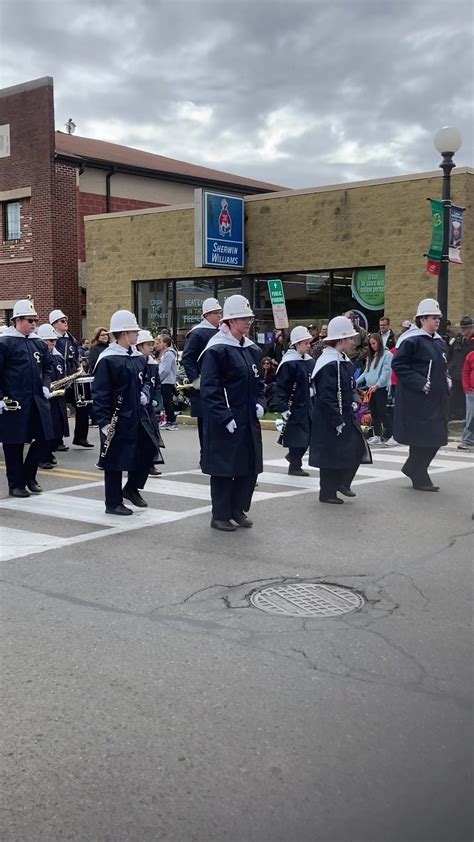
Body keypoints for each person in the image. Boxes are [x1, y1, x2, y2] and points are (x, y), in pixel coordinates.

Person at [200, 294, 265, 531]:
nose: (248, 322)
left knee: (249, 467)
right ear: (229, 321)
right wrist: (224, 416)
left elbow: (260, 383)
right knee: (225, 469)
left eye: (249, 318)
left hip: (248, 418)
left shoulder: (251, 349)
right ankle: (220, 514)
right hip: (226, 420)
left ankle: (238, 509)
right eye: (243, 318)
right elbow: (210, 388)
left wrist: (260, 402)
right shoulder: (217, 350)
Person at [92, 310, 159, 515]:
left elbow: (147, 379)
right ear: (123, 333)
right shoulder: (108, 359)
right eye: (134, 331)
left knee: (148, 450)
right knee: (114, 460)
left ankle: (131, 488)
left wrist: (146, 392)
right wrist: (104, 422)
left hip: (138, 414)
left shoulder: (138, 357)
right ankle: (112, 502)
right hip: (117, 417)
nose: (138, 335)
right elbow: (100, 393)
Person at [391, 298, 449, 491]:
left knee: (436, 437)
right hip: (418, 399)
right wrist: (420, 382)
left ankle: (414, 468)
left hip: (436, 398)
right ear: (422, 319)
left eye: (438, 318)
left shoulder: (438, 342)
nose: (437, 321)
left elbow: (441, 365)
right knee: (423, 438)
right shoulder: (412, 340)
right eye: (434, 317)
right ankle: (418, 473)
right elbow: (399, 365)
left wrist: (445, 378)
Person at [309, 316, 366, 504]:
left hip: (345, 414)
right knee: (330, 455)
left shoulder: (343, 360)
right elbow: (326, 396)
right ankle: (327, 492)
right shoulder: (328, 363)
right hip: (330, 418)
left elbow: (350, 387)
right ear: (340, 340)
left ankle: (341, 483)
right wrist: (336, 419)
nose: (352, 341)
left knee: (356, 449)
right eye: (349, 338)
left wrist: (356, 400)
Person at [0, 298, 54, 497]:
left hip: (36, 399)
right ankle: (16, 484)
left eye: (35, 320)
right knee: (14, 443)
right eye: (29, 320)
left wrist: (45, 385)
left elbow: (47, 367)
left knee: (44, 438)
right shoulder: (5, 342)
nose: (33, 324)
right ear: (17, 320)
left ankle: (29, 476)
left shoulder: (38, 343)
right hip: (13, 400)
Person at [182, 297, 222, 453]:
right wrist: (195, 378)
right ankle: (205, 454)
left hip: (218, 384)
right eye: (216, 313)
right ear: (207, 315)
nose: (220, 315)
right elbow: (187, 357)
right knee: (205, 424)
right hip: (203, 385)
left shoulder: (220, 332)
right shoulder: (197, 333)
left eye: (220, 312)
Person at [49, 308, 92, 448]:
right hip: (59, 380)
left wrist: (80, 370)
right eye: (62, 321)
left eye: (66, 320)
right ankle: (58, 440)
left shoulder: (71, 339)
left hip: (73, 379)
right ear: (54, 324)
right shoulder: (52, 339)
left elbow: (75, 359)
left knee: (82, 404)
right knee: (59, 410)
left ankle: (80, 437)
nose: (65, 322)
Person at [275, 326, 313, 476]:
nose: (309, 345)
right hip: (295, 405)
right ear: (297, 344)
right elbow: (282, 387)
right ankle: (295, 465)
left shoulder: (310, 361)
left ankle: (294, 460)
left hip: (308, 404)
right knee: (298, 438)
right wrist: (283, 407)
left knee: (308, 436)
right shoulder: (289, 363)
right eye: (306, 343)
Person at [36, 323, 70, 469]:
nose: (53, 343)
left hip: (57, 396)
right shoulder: (39, 356)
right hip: (44, 397)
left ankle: (49, 452)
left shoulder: (58, 356)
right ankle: (43, 456)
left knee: (57, 427)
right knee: (45, 429)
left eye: (54, 340)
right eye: (50, 340)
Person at [136, 329, 165, 476]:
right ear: (139, 346)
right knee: (140, 437)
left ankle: (151, 464)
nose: (151, 347)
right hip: (138, 406)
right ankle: (136, 465)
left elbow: (157, 384)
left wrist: (155, 399)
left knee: (153, 433)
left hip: (149, 405)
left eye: (151, 344)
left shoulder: (153, 363)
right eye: (148, 344)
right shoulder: (136, 362)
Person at [356, 333, 393, 444]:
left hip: (380, 388)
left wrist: (377, 384)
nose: (373, 346)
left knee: (383, 412)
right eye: (371, 344)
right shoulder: (371, 356)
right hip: (370, 387)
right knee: (374, 412)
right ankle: (377, 435)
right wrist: (355, 382)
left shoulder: (387, 355)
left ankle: (393, 435)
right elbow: (366, 372)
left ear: (379, 342)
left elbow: (386, 372)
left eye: (374, 343)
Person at [447, 316, 474, 420]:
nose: (462, 330)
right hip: (455, 376)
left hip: (468, 380)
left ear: (472, 328)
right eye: (462, 327)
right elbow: (449, 354)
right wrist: (450, 367)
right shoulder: (456, 340)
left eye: (465, 327)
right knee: (453, 401)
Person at [158, 333, 178, 430]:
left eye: (160, 342)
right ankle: (169, 420)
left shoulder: (169, 354)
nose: (158, 344)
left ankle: (172, 421)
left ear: (165, 343)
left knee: (167, 401)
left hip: (167, 381)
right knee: (166, 402)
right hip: (165, 381)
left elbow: (165, 369)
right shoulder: (165, 353)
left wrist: (159, 378)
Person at [458, 350, 474, 450]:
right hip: (472, 391)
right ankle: (467, 440)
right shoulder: (471, 355)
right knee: (471, 416)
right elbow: (465, 371)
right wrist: (466, 388)